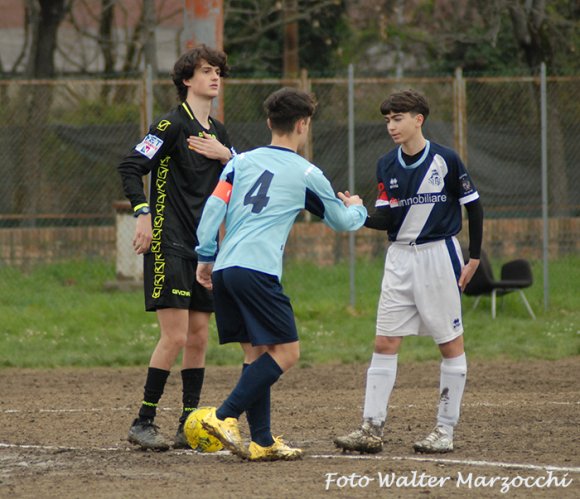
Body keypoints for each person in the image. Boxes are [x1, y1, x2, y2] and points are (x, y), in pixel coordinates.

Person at [194, 87, 367, 461]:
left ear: (270, 122)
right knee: (287, 352)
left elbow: (213, 209)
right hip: (257, 271)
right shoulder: (307, 172)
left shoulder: (240, 162)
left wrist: (205, 256)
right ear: (303, 124)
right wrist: (358, 208)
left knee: (257, 354)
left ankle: (262, 441)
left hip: (226, 268)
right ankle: (224, 416)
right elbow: (339, 221)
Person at [334, 89, 483, 454]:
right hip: (398, 258)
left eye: (398, 118)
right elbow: (387, 217)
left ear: (419, 119)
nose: (391, 126)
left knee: (449, 344)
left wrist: (474, 257)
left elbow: (474, 208)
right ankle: (371, 428)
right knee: (385, 341)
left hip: (438, 256)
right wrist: (357, 211)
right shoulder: (386, 163)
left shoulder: (446, 159)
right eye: (387, 119)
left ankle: (444, 430)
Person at [118, 45, 235, 451]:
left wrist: (228, 156)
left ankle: (189, 422)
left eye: (218, 71)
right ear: (187, 80)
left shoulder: (219, 134)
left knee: (200, 335)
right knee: (176, 335)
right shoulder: (170, 126)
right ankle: (143, 420)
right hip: (168, 241)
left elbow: (238, 181)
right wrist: (143, 213)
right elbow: (130, 166)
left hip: (203, 249)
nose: (215, 77)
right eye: (206, 71)